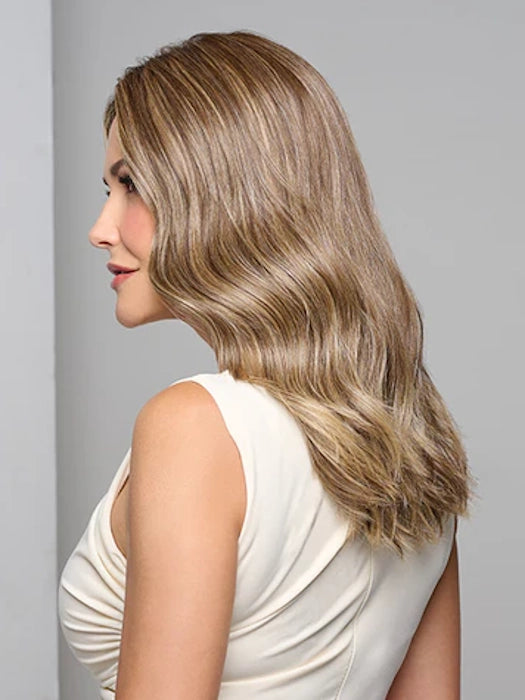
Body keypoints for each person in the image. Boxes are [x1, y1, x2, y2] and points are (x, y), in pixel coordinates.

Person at [58, 30, 476, 699]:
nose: (100, 228)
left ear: (222, 193)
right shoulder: (409, 429)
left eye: (130, 185)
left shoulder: (194, 427)